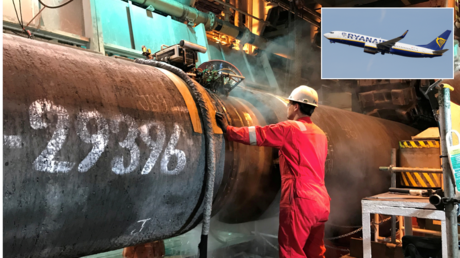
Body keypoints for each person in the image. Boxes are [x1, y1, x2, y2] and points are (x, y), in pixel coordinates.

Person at [215, 85, 330, 258]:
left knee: (292, 253)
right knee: (316, 253)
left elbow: (259, 134)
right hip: (321, 201)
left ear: (296, 106)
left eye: (289, 104)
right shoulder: (321, 134)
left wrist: (229, 130)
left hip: (300, 200)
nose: (287, 107)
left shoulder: (291, 128)